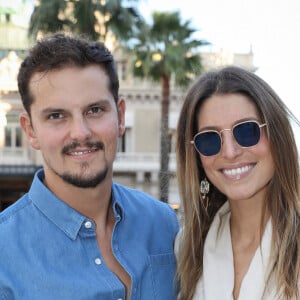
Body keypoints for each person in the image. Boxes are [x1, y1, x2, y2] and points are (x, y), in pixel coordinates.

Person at [0, 32, 179, 300]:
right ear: (30, 130)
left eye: (94, 110)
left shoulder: (163, 224)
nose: (80, 133)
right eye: (56, 116)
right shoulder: (4, 251)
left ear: (120, 116)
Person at [175, 66, 300, 300]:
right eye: (210, 139)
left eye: (246, 131)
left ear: (277, 135)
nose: (230, 152)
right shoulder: (187, 248)